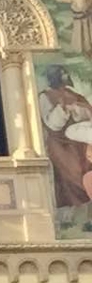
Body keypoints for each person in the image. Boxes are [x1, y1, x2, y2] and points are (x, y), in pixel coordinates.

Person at [38, 65, 92, 209]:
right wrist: (62, 108)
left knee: (86, 168)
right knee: (72, 172)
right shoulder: (45, 96)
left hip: (79, 140)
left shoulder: (72, 94)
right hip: (60, 143)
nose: (65, 77)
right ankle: (75, 206)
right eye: (61, 74)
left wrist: (78, 108)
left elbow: (88, 112)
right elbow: (51, 124)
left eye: (65, 74)